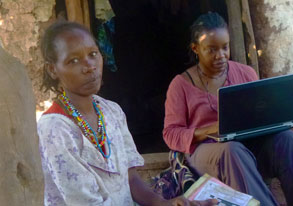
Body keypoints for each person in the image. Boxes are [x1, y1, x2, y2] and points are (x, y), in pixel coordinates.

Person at [37, 21, 218, 206]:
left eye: (93, 54)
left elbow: (131, 179)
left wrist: (165, 203)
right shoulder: (54, 129)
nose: (89, 66)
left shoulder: (111, 111)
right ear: (52, 69)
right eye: (73, 60)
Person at [163, 12, 293, 206]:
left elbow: (260, 112)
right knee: (231, 150)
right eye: (211, 50)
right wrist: (210, 129)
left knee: (288, 139)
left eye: (225, 48)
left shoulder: (246, 73)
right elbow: (170, 134)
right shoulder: (180, 85)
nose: (221, 56)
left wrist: (275, 118)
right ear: (196, 48)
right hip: (206, 155)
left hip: (247, 149)